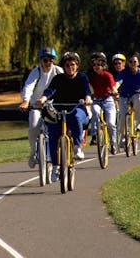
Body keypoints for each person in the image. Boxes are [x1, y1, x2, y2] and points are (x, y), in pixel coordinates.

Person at [36, 51, 92, 182]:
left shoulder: (82, 77)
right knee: (54, 134)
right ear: (64, 66)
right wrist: (43, 98)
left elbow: (87, 91)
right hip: (60, 110)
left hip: (77, 108)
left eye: (73, 64)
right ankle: (55, 167)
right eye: (67, 65)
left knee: (76, 117)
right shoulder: (58, 78)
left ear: (77, 65)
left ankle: (78, 147)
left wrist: (88, 98)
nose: (70, 67)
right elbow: (50, 90)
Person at [18, 46, 63, 168]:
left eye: (51, 60)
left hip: (53, 106)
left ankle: (58, 154)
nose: (48, 63)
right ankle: (33, 152)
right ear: (40, 61)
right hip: (35, 106)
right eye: (45, 60)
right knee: (33, 128)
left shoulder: (59, 71)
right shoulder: (36, 72)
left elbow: (65, 86)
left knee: (58, 130)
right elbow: (28, 86)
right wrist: (26, 101)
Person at [87, 52, 118, 154]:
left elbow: (113, 86)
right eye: (94, 65)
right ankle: (95, 136)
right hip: (96, 100)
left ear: (103, 66)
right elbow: (88, 87)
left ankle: (113, 143)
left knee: (110, 123)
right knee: (94, 111)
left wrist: (114, 92)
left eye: (99, 65)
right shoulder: (91, 76)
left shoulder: (107, 75)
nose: (97, 67)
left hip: (108, 100)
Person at [115, 51, 140, 134]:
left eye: (135, 62)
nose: (132, 63)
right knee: (122, 116)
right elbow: (118, 83)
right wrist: (114, 89)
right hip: (124, 96)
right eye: (130, 62)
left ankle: (139, 123)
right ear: (128, 63)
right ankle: (122, 140)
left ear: (138, 63)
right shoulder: (123, 73)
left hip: (137, 94)